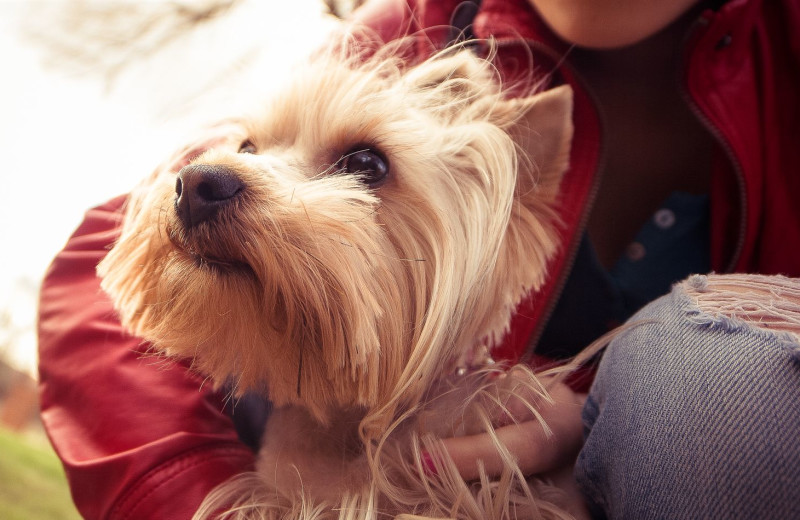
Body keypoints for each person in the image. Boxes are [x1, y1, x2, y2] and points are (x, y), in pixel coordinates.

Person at [37, 0, 800, 518]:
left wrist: (598, 414)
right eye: (246, 147)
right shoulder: (420, 22)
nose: (226, 172)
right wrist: (206, 501)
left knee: (711, 385)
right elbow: (104, 267)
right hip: (324, 449)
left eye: (363, 167)